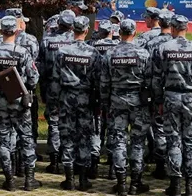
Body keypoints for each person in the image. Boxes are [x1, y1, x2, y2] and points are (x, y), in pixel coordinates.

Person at [152, 15, 192, 196]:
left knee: (173, 141)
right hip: (191, 99)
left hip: (170, 98)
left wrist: (159, 101)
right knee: (191, 142)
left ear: (172, 27)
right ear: (186, 28)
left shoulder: (163, 48)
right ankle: (190, 186)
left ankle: (175, 185)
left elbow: (156, 79)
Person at [0, 16, 41, 191]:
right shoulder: (23, 53)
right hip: (20, 100)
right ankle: (29, 179)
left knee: (3, 141)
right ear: (16, 31)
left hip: (0, 99)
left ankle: (9, 179)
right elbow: (33, 78)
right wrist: (26, 89)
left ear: (1, 31)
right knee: (26, 139)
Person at [100, 19, 152, 196]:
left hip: (117, 101)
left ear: (120, 32)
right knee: (137, 143)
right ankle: (135, 184)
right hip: (139, 103)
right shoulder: (144, 54)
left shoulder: (110, 53)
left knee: (119, 141)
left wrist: (105, 102)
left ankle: (121, 183)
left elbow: (104, 82)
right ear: (134, 33)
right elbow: (150, 80)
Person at [48, 16, 100, 191]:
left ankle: (69, 179)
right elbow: (98, 81)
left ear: (73, 31)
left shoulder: (62, 52)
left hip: (66, 98)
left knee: (68, 137)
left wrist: (53, 102)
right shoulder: (93, 53)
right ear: (86, 31)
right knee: (85, 137)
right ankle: (83, 180)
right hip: (85, 99)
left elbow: (54, 80)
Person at [38, 12, 74, 174]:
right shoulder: (76, 41)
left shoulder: (47, 41)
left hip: (53, 86)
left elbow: (42, 68)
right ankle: (68, 158)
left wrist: (44, 90)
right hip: (73, 87)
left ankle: (54, 161)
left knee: (53, 122)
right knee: (70, 122)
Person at [143, 10, 174, 180]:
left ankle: (161, 165)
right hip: (180, 93)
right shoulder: (181, 43)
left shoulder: (152, 43)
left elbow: (148, 70)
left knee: (160, 129)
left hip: (159, 94)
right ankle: (177, 167)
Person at [91, 20, 120, 179]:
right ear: (112, 32)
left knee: (96, 128)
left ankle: (93, 165)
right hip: (113, 94)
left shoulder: (92, 47)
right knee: (113, 129)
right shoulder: (117, 48)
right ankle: (112, 166)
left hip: (95, 93)